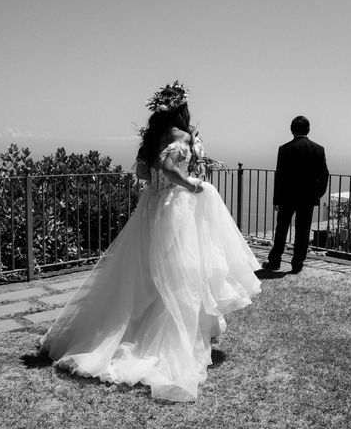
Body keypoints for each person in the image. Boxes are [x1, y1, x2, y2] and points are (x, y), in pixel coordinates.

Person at [41, 81, 261, 402]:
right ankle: (171, 339)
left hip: (150, 206)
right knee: (180, 271)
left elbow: (145, 172)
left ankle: (130, 329)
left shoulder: (154, 138)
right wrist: (191, 182)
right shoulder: (182, 137)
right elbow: (170, 167)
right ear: (182, 109)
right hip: (175, 208)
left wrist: (190, 165)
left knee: (146, 269)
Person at [262, 116, 329, 274]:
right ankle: (297, 263)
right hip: (308, 197)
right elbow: (324, 175)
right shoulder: (318, 149)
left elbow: (280, 177)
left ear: (292, 130)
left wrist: (276, 199)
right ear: (308, 129)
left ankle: (275, 261)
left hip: (287, 196)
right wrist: (317, 194)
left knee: (281, 229)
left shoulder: (284, 149)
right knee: (303, 231)